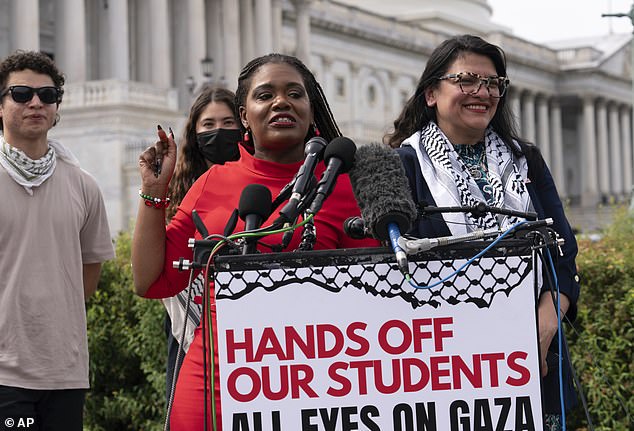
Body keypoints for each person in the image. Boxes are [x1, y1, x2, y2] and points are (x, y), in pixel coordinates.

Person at [131, 53, 378, 430]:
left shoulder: (345, 188)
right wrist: (153, 193)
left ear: (311, 110)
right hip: (213, 388)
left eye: (295, 93)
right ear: (245, 116)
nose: (281, 102)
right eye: (265, 95)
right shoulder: (213, 182)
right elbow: (151, 280)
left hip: (319, 390)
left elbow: (377, 300)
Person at [385, 34, 581, 431]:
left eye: (493, 83)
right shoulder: (401, 166)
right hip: (444, 366)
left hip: (536, 355)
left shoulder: (526, 160)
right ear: (430, 94)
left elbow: (563, 252)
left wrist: (546, 323)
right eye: (467, 80)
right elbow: (391, 273)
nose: (483, 92)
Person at [0, 51, 114, 429]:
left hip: (65, 373)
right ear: (0, 106)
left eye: (47, 95)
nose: (35, 102)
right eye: (20, 94)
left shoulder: (84, 185)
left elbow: (88, 276)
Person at [162, 86, 241, 407]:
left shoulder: (258, 184)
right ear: (194, 134)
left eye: (227, 122)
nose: (218, 132)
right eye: (208, 125)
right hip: (187, 323)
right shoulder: (181, 190)